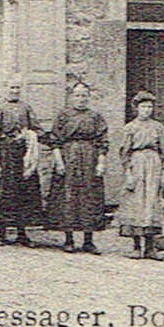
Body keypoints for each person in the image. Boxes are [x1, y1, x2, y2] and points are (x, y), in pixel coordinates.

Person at [44, 80, 108, 254]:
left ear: (89, 97)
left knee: (89, 196)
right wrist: (59, 161)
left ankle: (89, 240)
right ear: (72, 97)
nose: (81, 99)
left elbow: (103, 141)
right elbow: (55, 140)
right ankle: (69, 239)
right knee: (68, 196)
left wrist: (101, 163)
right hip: (68, 156)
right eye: (78, 95)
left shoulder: (95, 116)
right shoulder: (63, 115)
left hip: (89, 158)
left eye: (84, 95)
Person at [0, 75, 45, 246]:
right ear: (5, 88)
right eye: (12, 87)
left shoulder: (26, 108)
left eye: (18, 87)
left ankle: (22, 233)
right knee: (4, 191)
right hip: (5, 154)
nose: (15, 91)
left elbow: (37, 128)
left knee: (24, 191)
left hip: (23, 155)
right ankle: (1, 233)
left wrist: (32, 135)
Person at [117, 91, 164, 260]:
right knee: (136, 204)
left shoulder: (158, 127)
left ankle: (151, 247)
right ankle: (137, 246)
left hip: (153, 164)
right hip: (136, 164)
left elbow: (163, 151)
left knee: (152, 203)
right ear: (137, 109)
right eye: (143, 107)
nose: (147, 110)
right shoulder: (130, 128)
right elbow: (124, 153)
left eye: (150, 107)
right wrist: (128, 174)